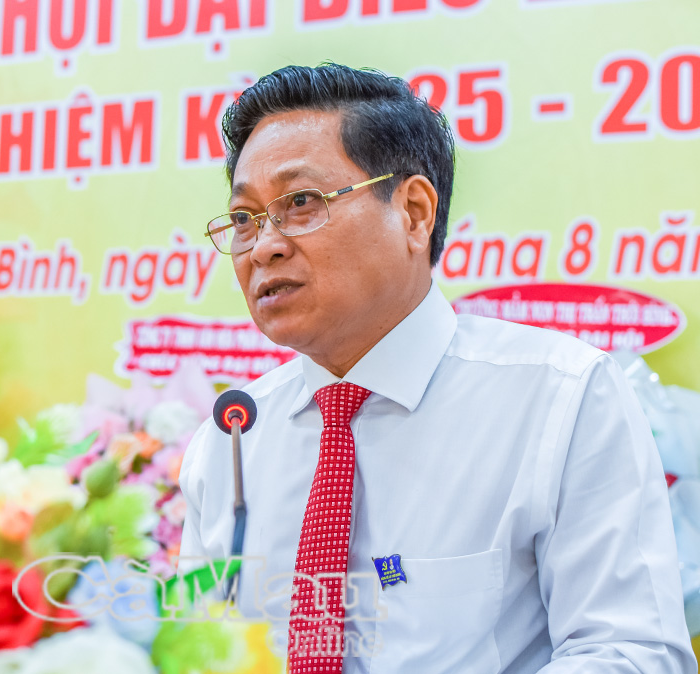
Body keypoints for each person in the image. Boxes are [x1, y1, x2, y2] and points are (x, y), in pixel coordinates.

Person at [177, 63, 696, 673]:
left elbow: (632, 653)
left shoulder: (562, 396)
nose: (264, 245)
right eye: (244, 218)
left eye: (301, 202)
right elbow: (193, 651)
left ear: (415, 212)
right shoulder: (231, 439)